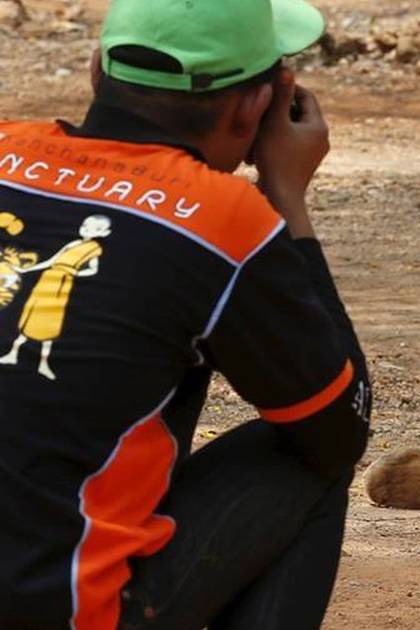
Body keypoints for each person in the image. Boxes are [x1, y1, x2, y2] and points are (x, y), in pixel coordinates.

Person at [0, 0, 372, 629]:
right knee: (307, 453)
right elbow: (337, 425)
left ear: (97, 70)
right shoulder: (221, 219)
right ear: (257, 107)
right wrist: (287, 201)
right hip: (53, 608)